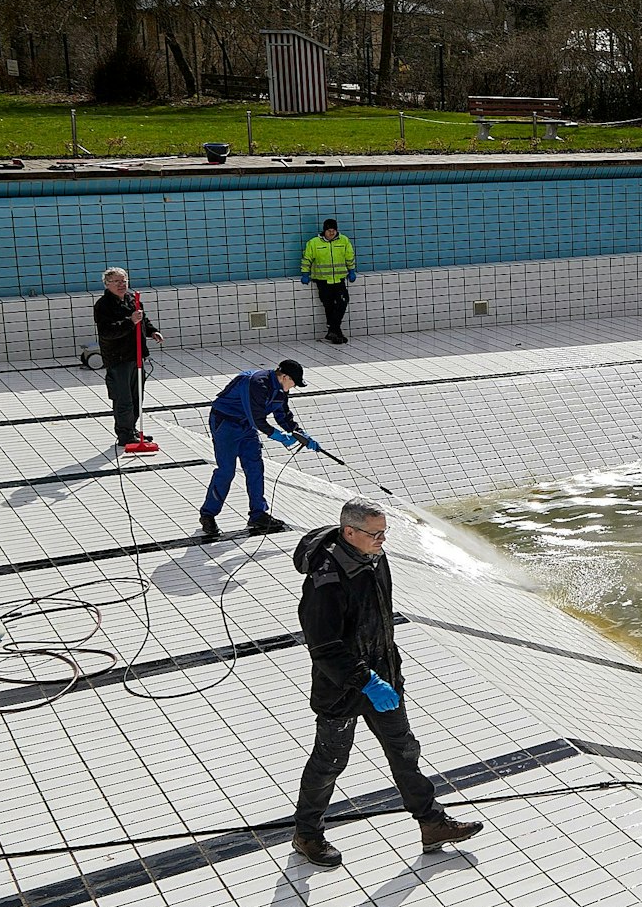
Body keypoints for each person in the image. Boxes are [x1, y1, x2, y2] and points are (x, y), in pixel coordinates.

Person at [289, 498, 483, 868]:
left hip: (385, 679)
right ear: (350, 532)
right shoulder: (325, 581)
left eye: (384, 532)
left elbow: (380, 619)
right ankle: (307, 835)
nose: (382, 540)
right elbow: (324, 647)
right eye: (375, 533)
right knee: (329, 761)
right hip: (343, 688)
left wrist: (389, 673)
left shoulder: (374, 557)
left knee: (404, 752)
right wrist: (367, 680)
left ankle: (432, 823)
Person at [198, 359, 316, 538]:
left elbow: (283, 415)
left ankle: (258, 514)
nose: (293, 387)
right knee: (226, 471)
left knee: (255, 468)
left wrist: (299, 433)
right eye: (293, 383)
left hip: (247, 427)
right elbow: (257, 418)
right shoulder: (257, 383)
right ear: (284, 377)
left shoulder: (280, 390)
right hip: (226, 423)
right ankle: (208, 514)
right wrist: (278, 436)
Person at [93, 267, 161, 450]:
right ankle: (124, 434)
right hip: (118, 357)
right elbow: (107, 332)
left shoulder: (132, 299)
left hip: (136, 355)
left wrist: (152, 331)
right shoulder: (104, 305)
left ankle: (132, 429)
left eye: (124, 281)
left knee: (136, 395)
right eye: (117, 282)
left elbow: (143, 320)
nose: (122, 285)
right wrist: (130, 321)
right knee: (123, 398)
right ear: (107, 284)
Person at [302, 218, 357, 344]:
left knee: (343, 302)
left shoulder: (344, 240)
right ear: (324, 231)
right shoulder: (314, 243)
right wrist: (305, 273)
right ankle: (336, 332)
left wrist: (351, 270)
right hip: (323, 280)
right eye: (329, 230)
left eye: (334, 230)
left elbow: (349, 256)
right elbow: (307, 259)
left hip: (339, 279)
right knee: (329, 306)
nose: (331, 233)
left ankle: (333, 330)